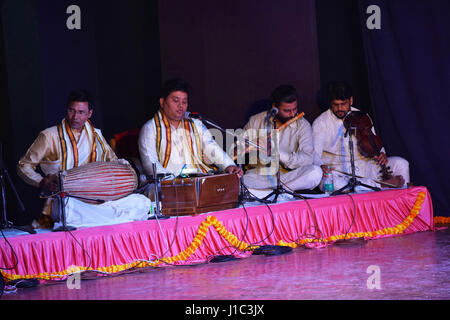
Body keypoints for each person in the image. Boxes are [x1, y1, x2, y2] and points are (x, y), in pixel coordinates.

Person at [17, 89, 150, 229]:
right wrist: (41, 181)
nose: (75, 117)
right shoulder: (49, 136)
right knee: (68, 210)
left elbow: (113, 161)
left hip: (96, 199)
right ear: (66, 109)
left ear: (89, 114)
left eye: (81, 112)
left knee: (140, 202)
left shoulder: (96, 135)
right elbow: (23, 165)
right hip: (66, 200)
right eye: (71, 110)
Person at [312, 81, 410, 192]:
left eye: (343, 104)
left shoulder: (362, 116)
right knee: (332, 183)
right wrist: (322, 166)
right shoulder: (320, 123)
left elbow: (375, 142)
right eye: (336, 105)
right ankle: (382, 186)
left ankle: (404, 203)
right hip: (339, 172)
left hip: (366, 167)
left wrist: (382, 153)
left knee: (401, 163)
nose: (340, 108)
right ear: (331, 103)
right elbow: (315, 155)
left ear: (351, 100)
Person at [138, 78, 243, 180]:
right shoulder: (150, 129)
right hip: (167, 185)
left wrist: (228, 165)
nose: (181, 106)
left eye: (184, 102)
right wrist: (173, 183)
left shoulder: (194, 123)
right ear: (162, 102)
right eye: (175, 101)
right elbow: (151, 165)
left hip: (198, 179)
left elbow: (211, 148)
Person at [241, 85, 322, 198]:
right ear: (275, 107)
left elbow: (307, 159)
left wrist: (279, 155)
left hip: (288, 177)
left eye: (295, 109)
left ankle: (270, 194)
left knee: (315, 173)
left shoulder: (303, 125)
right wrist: (251, 144)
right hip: (259, 176)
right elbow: (238, 148)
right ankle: (280, 194)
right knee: (242, 181)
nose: (293, 114)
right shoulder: (256, 121)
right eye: (287, 111)